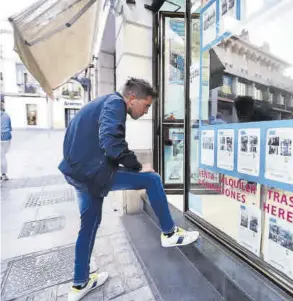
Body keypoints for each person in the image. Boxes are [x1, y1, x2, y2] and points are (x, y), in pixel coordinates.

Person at [58, 78, 199, 301]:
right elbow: (111, 142)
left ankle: (79, 283)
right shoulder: (115, 104)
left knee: (89, 226)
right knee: (151, 178)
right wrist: (137, 166)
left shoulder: (101, 103)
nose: (146, 111)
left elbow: (95, 142)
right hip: (93, 173)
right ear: (132, 98)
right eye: (147, 105)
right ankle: (170, 233)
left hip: (79, 174)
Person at [1, 101, 12, 181]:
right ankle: (4, 175)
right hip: (6, 139)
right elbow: (10, 128)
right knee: (2, 156)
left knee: (1, 157)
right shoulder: (6, 115)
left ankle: (3, 174)